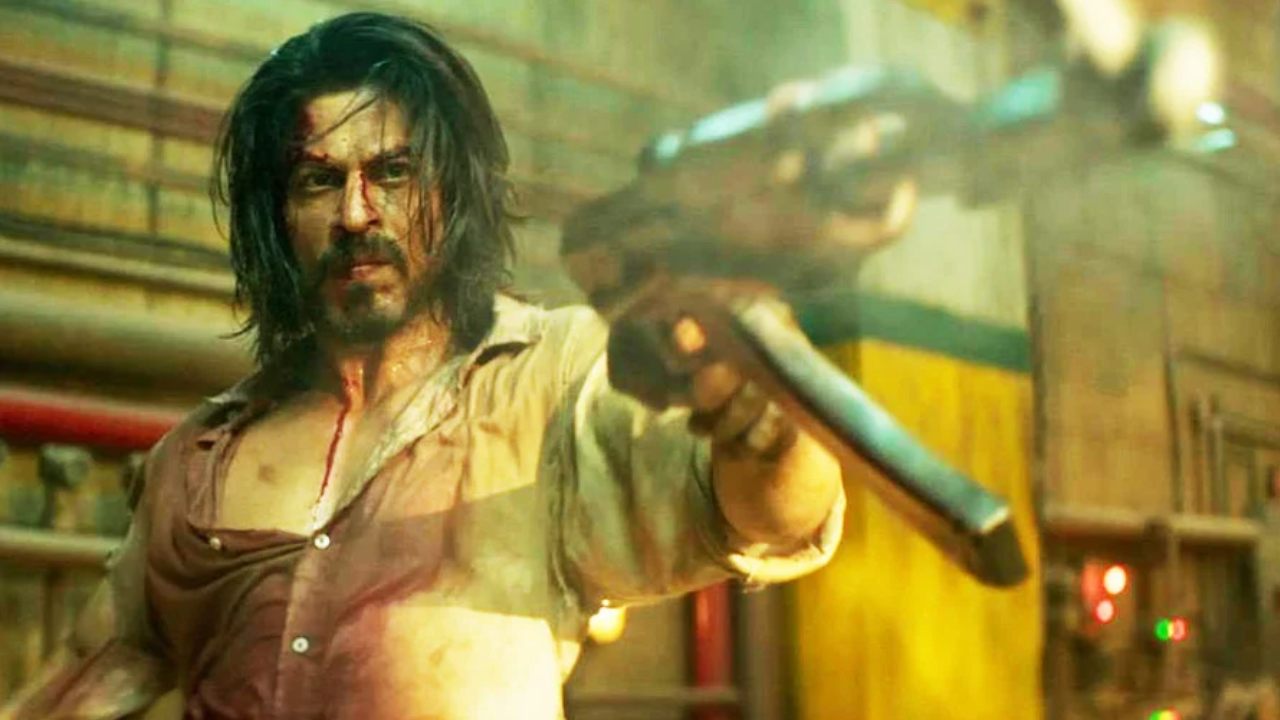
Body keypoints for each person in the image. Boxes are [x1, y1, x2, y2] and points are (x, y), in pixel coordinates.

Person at [3, 12, 844, 720]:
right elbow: (93, 668)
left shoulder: (547, 379)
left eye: (394, 172)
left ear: (451, 192)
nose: (356, 213)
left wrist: (763, 424)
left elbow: (766, 512)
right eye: (317, 182)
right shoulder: (196, 461)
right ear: (278, 214)